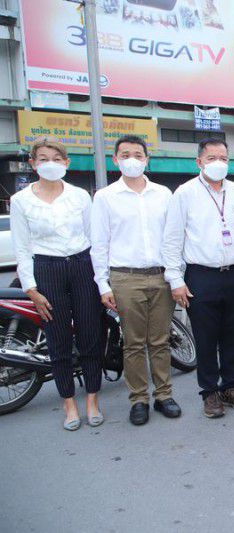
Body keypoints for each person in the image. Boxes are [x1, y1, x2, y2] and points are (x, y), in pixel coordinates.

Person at [9, 137, 105, 431]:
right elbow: (22, 248)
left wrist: (102, 280)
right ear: (33, 163)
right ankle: (69, 403)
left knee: (91, 335)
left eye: (56, 158)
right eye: (43, 158)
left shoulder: (80, 196)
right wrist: (31, 289)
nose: (50, 163)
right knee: (58, 339)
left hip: (82, 266)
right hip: (46, 269)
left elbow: (95, 239)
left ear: (66, 162)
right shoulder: (21, 200)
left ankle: (92, 399)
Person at [90, 135, 181, 426]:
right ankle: (139, 399)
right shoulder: (105, 197)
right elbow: (99, 244)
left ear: (146, 159)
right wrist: (103, 284)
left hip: (161, 276)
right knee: (133, 343)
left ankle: (164, 395)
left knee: (160, 341)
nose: (132, 160)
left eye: (138, 154)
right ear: (115, 159)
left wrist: (176, 275)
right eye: (125, 154)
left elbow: (173, 238)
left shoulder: (163, 194)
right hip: (125, 277)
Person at [162, 139, 234, 418]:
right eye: (212, 158)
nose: (219, 163)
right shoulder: (185, 193)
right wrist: (175, 280)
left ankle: (231, 387)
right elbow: (172, 239)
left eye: (224, 158)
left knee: (233, 335)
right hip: (200, 275)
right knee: (205, 337)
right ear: (199, 162)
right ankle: (209, 392)